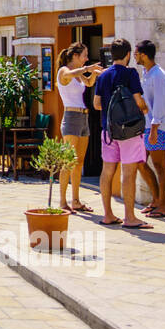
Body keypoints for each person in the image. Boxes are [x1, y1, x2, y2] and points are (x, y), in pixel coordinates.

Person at [93, 39, 150, 229]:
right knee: (129, 173)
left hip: (109, 130)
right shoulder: (131, 74)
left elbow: (96, 104)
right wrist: (144, 109)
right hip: (130, 131)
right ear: (127, 55)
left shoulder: (103, 76)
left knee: (107, 171)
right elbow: (138, 100)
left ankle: (108, 214)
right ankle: (130, 217)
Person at [56, 42, 103, 213]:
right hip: (71, 117)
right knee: (68, 161)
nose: (87, 58)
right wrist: (87, 68)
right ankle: (62, 201)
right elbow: (70, 73)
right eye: (84, 55)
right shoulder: (64, 71)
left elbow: (89, 83)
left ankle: (75, 200)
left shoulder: (79, 74)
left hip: (84, 116)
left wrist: (95, 74)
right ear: (75, 56)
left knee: (79, 161)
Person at [134, 40, 165, 218]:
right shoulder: (146, 73)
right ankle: (156, 200)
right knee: (140, 163)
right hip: (146, 126)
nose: (134, 56)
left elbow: (161, 102)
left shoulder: (158, 75)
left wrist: (155, 128)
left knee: (159, 165)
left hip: (157, 126)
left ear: (143, 55)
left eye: (136, 53)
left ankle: (163, 206)